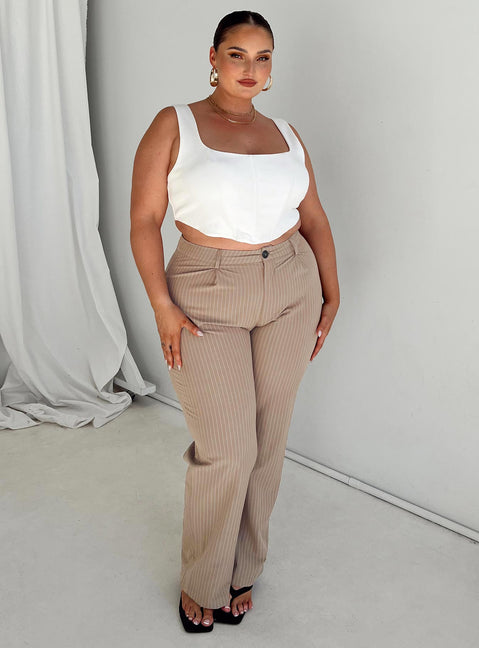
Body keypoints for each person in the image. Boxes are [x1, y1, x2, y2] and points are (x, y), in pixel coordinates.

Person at [130, 10, 340, 633]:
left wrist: (332, 293)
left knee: (267, 440)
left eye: (263, 56)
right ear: (214, 57)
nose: (251, 68)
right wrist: (162, 305)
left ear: (272, 67)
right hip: (205, 288)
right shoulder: (175, 124)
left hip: (291, 285)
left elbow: (314, 218)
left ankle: (244, 565)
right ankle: (203, 578)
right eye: (238, 54)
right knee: (227, 446)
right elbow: (144, 220)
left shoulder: (287, 134)